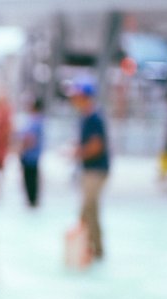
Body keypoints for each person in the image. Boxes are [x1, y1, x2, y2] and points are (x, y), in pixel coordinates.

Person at [69, 80, 110, 262]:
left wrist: (78, 153)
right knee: (89, 210)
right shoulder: (86, 117)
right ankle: (90, 247)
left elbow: (96, 146)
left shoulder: (94, 117)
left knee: (88, 208)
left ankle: (94, 249)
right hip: (90, 170)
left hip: (96, 170)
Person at [18, 98, 44, 207]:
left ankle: (32, 200)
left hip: (30, 156)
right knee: (32, 178)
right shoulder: (37, 120)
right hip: (32, 155)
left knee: (30, 179)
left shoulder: (35, 121)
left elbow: (30, 139)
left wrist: (21, 148)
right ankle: (32, 199)